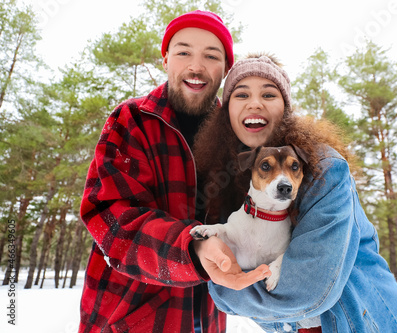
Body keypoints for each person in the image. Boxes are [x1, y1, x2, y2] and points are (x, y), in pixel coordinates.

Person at [78, 11, 270, 333]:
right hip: (129, 319)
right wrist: (193, 248)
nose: (196, 66)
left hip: (208, 319)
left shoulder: (238, 138)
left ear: (225, 69)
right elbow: (113, 218)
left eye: (211, 55)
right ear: (165, 59)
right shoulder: (132, 120)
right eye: (184, 52)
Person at [193, 54, 397, 333]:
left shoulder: (325, 169)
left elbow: (304, 291)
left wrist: (220, 289)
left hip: (358, 322)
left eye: (269, 94)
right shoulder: (233, 185)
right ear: (227, 112)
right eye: (241, 94)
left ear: (285, 109)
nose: (255, 103)